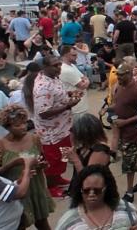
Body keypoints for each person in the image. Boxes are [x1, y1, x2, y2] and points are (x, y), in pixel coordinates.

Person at [0, 104, 55, 230]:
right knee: (19, 225)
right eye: (17, 125)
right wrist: (13, 163)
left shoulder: (34, 139)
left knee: (42, 224)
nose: (23, 127)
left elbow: (43, 160)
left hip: (35, 187)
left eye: (24, 123)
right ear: (8, 127)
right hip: (17, 191)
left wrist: (42, 165)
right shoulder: (0, 145)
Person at [31, 55, 82, 196]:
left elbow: (57, 94)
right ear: (45, 67)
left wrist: (69, 93)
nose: (59, 68)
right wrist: (68, 106)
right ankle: (51, 187)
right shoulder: (42, 87)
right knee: (52, 161)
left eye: (59, 65)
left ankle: (57, 178)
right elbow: (43, 113)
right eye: (55, 66)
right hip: (51, 132)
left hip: (63, 128)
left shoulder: (53, 77)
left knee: (62, 156)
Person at [110, 59, 137, 201]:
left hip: (133, 133)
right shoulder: (120, 87)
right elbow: (117, 103)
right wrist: (110, 111)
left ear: (129, 74)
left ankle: (129, 192)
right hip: (121, 130)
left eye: (121, 75)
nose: (118, 77)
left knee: (128, 163)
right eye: (118, 75)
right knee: (133, 158)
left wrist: (125, 121)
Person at [56, 165, 137, 230]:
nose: (91, 194)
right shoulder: (68, 221)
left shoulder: (125, 209)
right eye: (86, 190)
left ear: (106, 189)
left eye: (97, 190)